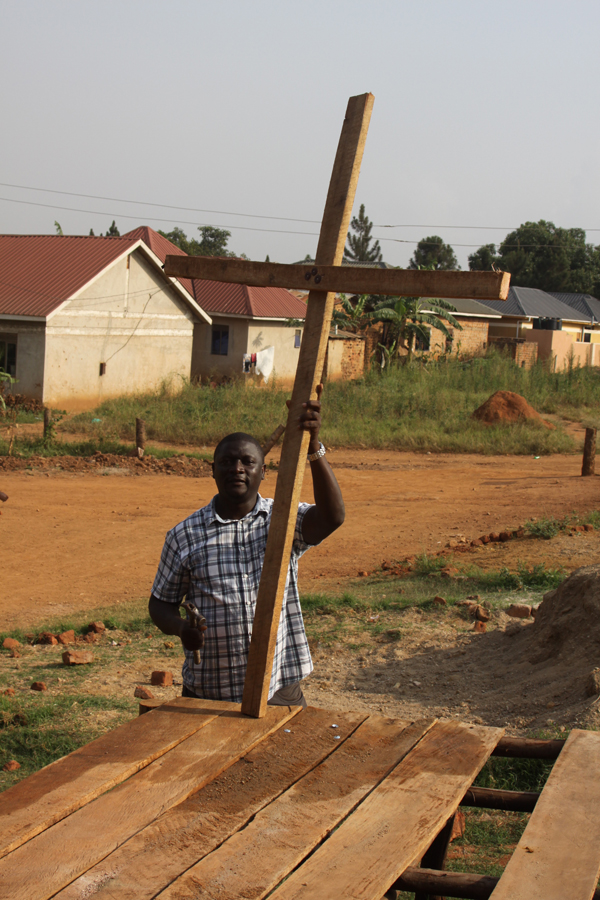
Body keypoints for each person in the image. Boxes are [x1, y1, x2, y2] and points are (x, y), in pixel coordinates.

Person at [148, 388, 345, 708]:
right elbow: (160, 605)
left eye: (247, 461)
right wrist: (181, 628)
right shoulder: (184, 536)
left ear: (263, 471)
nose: (236, 468)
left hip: (278, 688)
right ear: (212, 470)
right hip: (211, 692)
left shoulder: (282, 520)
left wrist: (313, 446)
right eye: (226, 462)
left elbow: (332, 517)